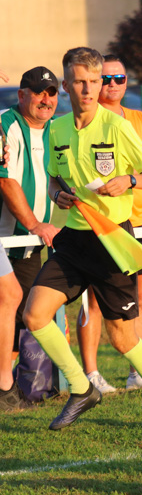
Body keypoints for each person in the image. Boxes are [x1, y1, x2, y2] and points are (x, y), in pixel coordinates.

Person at [22, 47, 142, 432]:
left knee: (122, 338)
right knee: (34, 314)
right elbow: (56, 177)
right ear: (66, 85)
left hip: (112, 241)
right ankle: (81, 389)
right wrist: (59, 193)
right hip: (75, 237)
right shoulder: (57, 129)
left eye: (95, 82)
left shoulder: (118, 127)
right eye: (81, 82)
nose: (90, 89)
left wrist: (130, 180)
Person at [74, 55, 142, 393]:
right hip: (101, 223)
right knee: (94, 300)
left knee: (140, 298)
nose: (112, 84)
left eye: (119, 78)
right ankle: (91, 375)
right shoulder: (88, 120)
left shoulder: (139, 119)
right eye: (106, 78)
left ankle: (137, 374)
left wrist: (136, 162)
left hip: (141, 219)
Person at [0, 66, 61, 409]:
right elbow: (6, 180)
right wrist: (35, 223)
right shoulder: (5, 124)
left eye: (51, 92)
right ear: (22, 94)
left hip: (33, 243)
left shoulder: (56, 130)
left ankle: (32, 387)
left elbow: (56, 179)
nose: (45, 99)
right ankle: (8, 388)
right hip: (8, 236)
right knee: (9, 305)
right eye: (38, 91)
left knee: (27, 311)